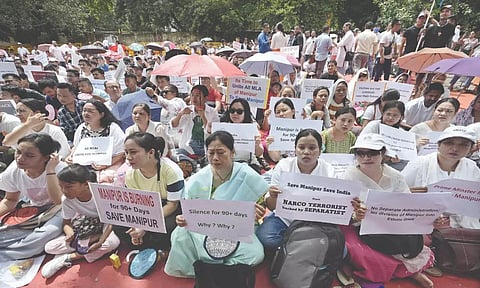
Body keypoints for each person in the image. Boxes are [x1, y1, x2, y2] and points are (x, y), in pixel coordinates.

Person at [164, 131, 268, 277]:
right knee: (179, 235)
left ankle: (208, 268)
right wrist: (182, 219)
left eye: (221, 152)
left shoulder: (247, 174)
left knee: (256, 255)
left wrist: (257, 213)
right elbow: (190, 212)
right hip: (205, 229)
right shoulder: (198, 179)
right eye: (211, 153)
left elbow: (260, 205)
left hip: (236, 230)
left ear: (232, 153)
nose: (215, 158)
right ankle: (217, 269)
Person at [339, 133, 435, 287]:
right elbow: (343, 209)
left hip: (394, 223)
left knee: (413, 241)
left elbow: (407, 201)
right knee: (363, 253)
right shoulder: (347, 176)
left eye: (372, 153)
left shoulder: (394, 175)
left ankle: (410, 270)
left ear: (382, 154)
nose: (366, 158)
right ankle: (407, 271)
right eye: (361, 153)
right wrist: (357, 216)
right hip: (362, 227)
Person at [256, 129, 335, 249]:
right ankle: (307, 248)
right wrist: (273, 196)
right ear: (295, 149)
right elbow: (271, 207)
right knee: (266, 238)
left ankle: (294, 249)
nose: (306, 152)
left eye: (312, 148)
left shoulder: (329, 171)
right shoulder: (284, 166)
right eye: (301, 147)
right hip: (284, 219)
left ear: (320, 151)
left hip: (315, 222)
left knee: (339, 248)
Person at [41, 164, 120, 278]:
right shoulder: (67, 200)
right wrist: (70, 233)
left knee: (111, 243)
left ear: (86, 184)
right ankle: (85, 245)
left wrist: (101, 240)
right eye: (61, 187)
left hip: (107, 224)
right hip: (87, 226)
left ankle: (68, 257)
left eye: (69, 187)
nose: (64, 191)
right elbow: (66, 223)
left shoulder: (102, 193)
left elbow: (112, 221)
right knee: (49, 247)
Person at [0, 134, 66, 261]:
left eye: (29, 156)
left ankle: (7, 254)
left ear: (46, 157)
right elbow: (11, 200)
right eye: (18, 152)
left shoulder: (59, 169)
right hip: (35, 210)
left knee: (46, 234)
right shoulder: (14, 169)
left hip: (61, 209)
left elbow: (59, 201)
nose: (20, 158)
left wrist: (50, 170)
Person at [114, 132, 184, 251]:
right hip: (145, 209)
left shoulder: (170, 171)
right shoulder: (130, 173)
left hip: (169, 208)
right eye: (126, 152)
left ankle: (161, 249)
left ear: (151, 152)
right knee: (118, 225)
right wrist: (136, 226)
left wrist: (145, 225)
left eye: (133, 152)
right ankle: (144, 244)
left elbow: (172, 205)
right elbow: (133, 204)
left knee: (167, 226)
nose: (128, 157)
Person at [402, 126, 480, 229]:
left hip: (460, 229)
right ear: (438, 145)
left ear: (471, 149)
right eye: (449, 143)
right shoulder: (419, 163)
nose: (455, 148)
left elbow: (474, 204)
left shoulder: (472, 168)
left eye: (463, 144)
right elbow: (398, 192)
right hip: (419, 224)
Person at [67, 100, 125, 173]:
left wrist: (105, 165)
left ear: (101, 114)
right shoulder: (81, 127)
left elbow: (121, 152)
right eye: (84, 111)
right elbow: (76, 146)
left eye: (90, 111)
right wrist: (71, 156)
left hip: (109, 164)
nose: (86, 114)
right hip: (83, 165)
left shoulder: (112, 128)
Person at [4, 98, 70, 160]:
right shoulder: (20, 129)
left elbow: (61, 155)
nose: (18, 114)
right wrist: (28, 125)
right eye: (17, 111)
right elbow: (6, 143)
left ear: (37, 113)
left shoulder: (54, 130)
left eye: (22, 111)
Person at [171, 85, 219, 158]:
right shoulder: (188, 110)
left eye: (198, 96)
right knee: (174, 154)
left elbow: (214, 133)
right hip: (189, 146)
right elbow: (174, 125)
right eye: (192, 95)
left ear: (205, 98)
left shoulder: (212, 112)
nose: (194, 98)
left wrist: (203, 117)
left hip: (206, 146)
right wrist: (180, 114)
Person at [220, 98, 264, 170]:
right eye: (232, 110)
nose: (235, 114)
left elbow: (259, 153)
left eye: (239, 111)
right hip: (227, 164)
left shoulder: (252, 128)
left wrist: (257, 145)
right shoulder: (222, 128)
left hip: (248, 164)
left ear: (245, 113)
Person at [264, 98, 296, 163]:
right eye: (278, 112)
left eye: (284, 110)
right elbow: (276, 158)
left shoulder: (303, 129)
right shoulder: (274, 132)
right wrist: (269, 145)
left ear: (293, 111)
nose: (281, 114)